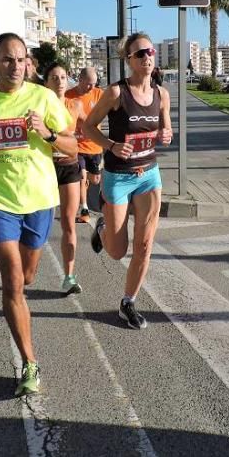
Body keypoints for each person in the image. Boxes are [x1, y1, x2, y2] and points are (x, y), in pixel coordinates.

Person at [0, 33, 76, 395]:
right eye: (7, 59)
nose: (15, 66)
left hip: (39, 199)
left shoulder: (43, 98)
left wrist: (48, 133)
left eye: (21, 59)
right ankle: (29, 362)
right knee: (11, 280)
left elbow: (73, 147)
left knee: (27, 276)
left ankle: (19, 301)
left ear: (28, 63)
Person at [82, 33, 172, 330]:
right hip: (118, 177)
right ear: (129, 60)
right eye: (140, 53)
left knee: (144, 245)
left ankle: (128, 302)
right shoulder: (116, 93)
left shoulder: (162, 94)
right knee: (117, 251)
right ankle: (103, 226)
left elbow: (166, 127)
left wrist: (166, 134)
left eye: (151, 51)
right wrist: (110, 145)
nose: (148, 56)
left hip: (149, 174)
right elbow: (88, 126)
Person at [43, 62, 84, 295]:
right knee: (41, 222)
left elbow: (91, 127)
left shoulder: (75, 105)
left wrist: (97, 159)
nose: (60, 81)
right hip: (44, 168)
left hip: (69, 166)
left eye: (63, 77)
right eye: (54, 77)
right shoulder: (38, 107)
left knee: (69, 223)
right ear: (46, 82)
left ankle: (69, 276)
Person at [65, 66, 103, 223]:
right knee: (81, 175)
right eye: (88, 84)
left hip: (94, 145)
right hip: (77, 145)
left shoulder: (99, 94)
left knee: (94, 180)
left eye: (94, 83)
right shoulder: (68, 96)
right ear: (80, 80)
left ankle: (87, 181)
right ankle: (85, 209)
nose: (92, 87)